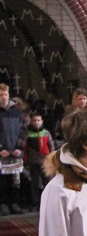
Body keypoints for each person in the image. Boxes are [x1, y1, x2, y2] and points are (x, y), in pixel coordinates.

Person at [0, 83, 26, 215]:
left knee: (16, 179)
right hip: (2, 152)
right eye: (0, 95)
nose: (3, 97)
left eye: (5, 94)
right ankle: (3, 204)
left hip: (15, 150)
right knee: (3, 180)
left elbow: (22, 130)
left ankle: (14, 203)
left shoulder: (16, 111)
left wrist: (19, 148)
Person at [24, 111, 55, 209]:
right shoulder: (28, 133)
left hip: (45, 161)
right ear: (31, 122)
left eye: (38, 120)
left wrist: (52, 159)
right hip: (33, 161)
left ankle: (47, 201)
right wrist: (25, 160)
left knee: (47, 181)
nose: (36, 122)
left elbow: (51, 146)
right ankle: (36, 202)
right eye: (34, 120)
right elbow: (25, 148)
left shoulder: (46, 133)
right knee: (35, 182)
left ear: (42, 121)